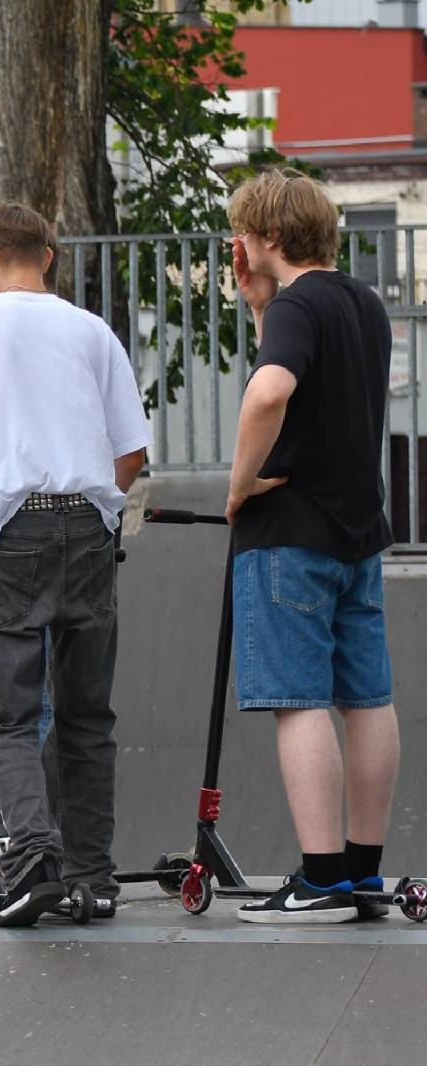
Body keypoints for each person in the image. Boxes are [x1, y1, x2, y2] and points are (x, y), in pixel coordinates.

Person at [0, 202, 150, 927]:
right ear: (47, 255)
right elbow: (130, 452)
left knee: (7, 715)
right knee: (86, 713)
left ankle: (33, 859)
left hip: (7, 533)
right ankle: (94, 878)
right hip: (87, 528)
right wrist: (100, 506)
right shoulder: (90, 330)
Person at [225, 169, 398, 923]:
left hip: (291, 531)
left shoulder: (298, 305)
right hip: (359, 531)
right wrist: (262, 306)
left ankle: (319, 876)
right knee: (366, 700)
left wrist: (239, 485)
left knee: (297, 700)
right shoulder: (363, 302)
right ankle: (361, 873)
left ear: (266, 236)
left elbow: (269, 392)